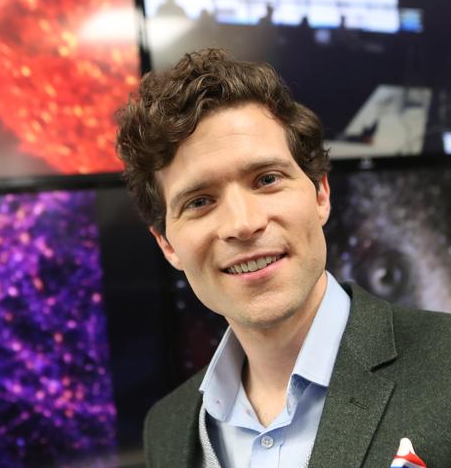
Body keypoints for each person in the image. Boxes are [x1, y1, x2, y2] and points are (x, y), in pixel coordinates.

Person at [114, 48, 451, 467]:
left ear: (321, 193)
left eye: (267, 179)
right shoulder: (167, 428)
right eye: (200, 201)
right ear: (167, 244)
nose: (243, 223)